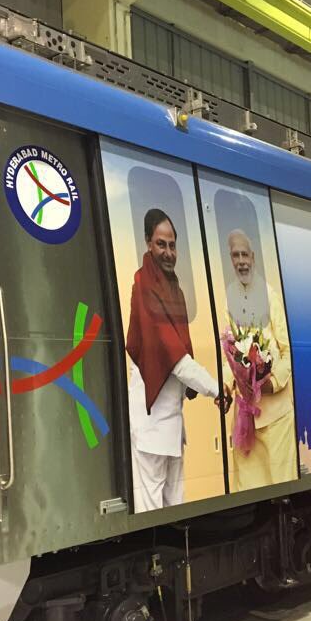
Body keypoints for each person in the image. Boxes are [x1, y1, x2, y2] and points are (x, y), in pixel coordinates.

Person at [126, 208, 221, 513]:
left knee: (175, 509)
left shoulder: (173, 288)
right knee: (153, 513)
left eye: (171, 245)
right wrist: (217, 389)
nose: (168, 252)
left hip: (171, 424)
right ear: (147, 244)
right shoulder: (144, 286)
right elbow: (177, 359)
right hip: (152, 426)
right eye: (160, 244)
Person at [222, 229, 297, 491]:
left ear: (253, 258)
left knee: (282, 492)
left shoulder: (270, 295)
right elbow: (228, 352)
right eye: (235, 255)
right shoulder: (228, 296)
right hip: (246, 420)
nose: (241, 261)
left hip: (276, 417)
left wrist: (272, 382)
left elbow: (288, 351)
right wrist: (226, 385)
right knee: (246, 491)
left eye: (245, 254)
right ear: (231, 260)